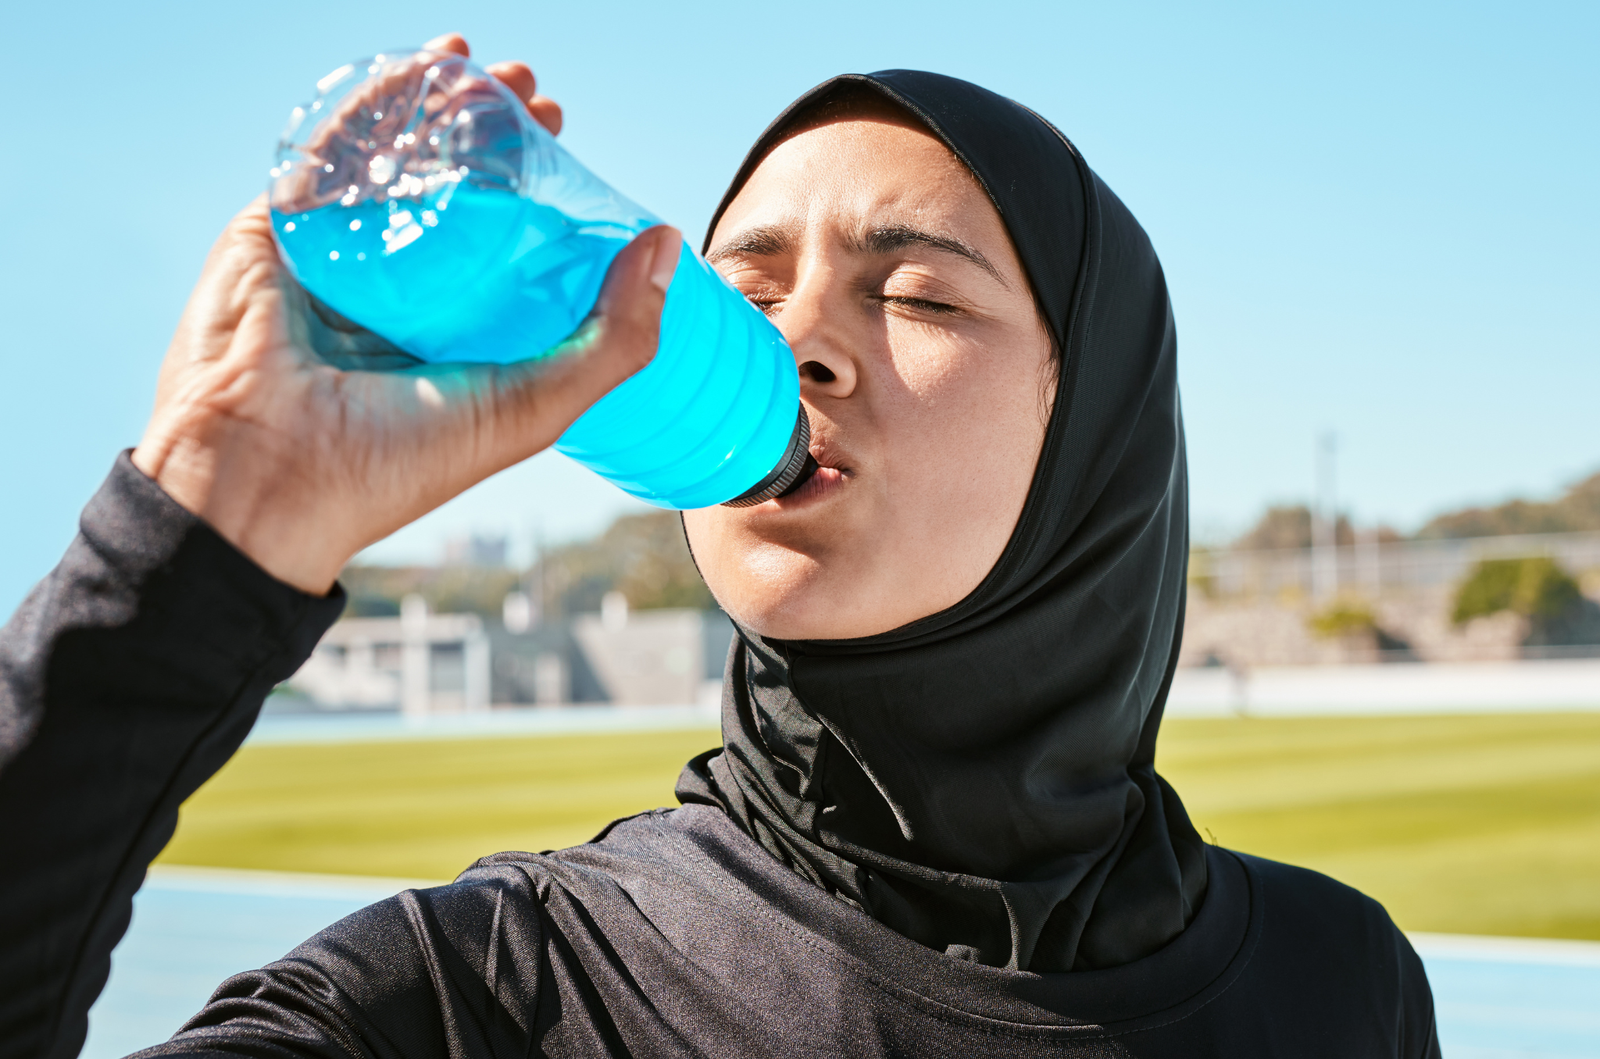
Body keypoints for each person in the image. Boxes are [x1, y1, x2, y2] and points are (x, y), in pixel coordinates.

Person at [0, 33, 1439, 1059]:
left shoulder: (1342, 980)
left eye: (920, 297)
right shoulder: (482, 994)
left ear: (1101, 433)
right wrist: (202, 515)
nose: (795, 338)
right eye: (741, 288)